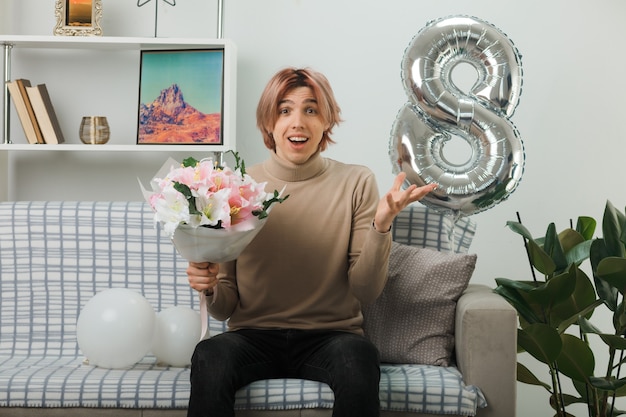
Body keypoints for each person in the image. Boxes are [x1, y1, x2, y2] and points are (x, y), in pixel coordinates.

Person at [186, 67, 437, 417]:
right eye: (285, 110)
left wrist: (381, 227)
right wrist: (210, 286)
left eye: (311, 109)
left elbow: (365, 291)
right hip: (253, 336)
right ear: (269, 123)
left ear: (326, 122)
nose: (298, 122)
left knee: (359, 358)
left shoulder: (356, 181)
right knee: (210, 355)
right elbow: (224, 308)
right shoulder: (236, 184)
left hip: (331, 337)